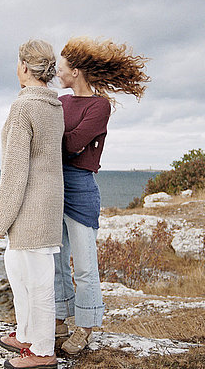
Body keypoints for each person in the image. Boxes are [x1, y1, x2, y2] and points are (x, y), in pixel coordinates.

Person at [54, 36, 150, 354]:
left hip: (81, 188)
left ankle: (85, 327)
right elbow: (64, 141)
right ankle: (61, 319)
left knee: (83, 266)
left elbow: (70, 143)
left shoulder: (99, 105)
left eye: (62, 66)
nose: (57, 71)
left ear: (77, 71)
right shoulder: (60, 101)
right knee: (55, 261)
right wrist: (67, 141)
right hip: (53, 186)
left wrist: (65, 140)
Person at [0, 39, 64, 369]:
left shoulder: (24, 107)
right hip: (46, 205)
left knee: (37, 282)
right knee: (20, 272)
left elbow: (15, 170)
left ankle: (44, 353)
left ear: (23, 67)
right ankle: (26, 334)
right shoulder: (54, 106)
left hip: (30, 209)